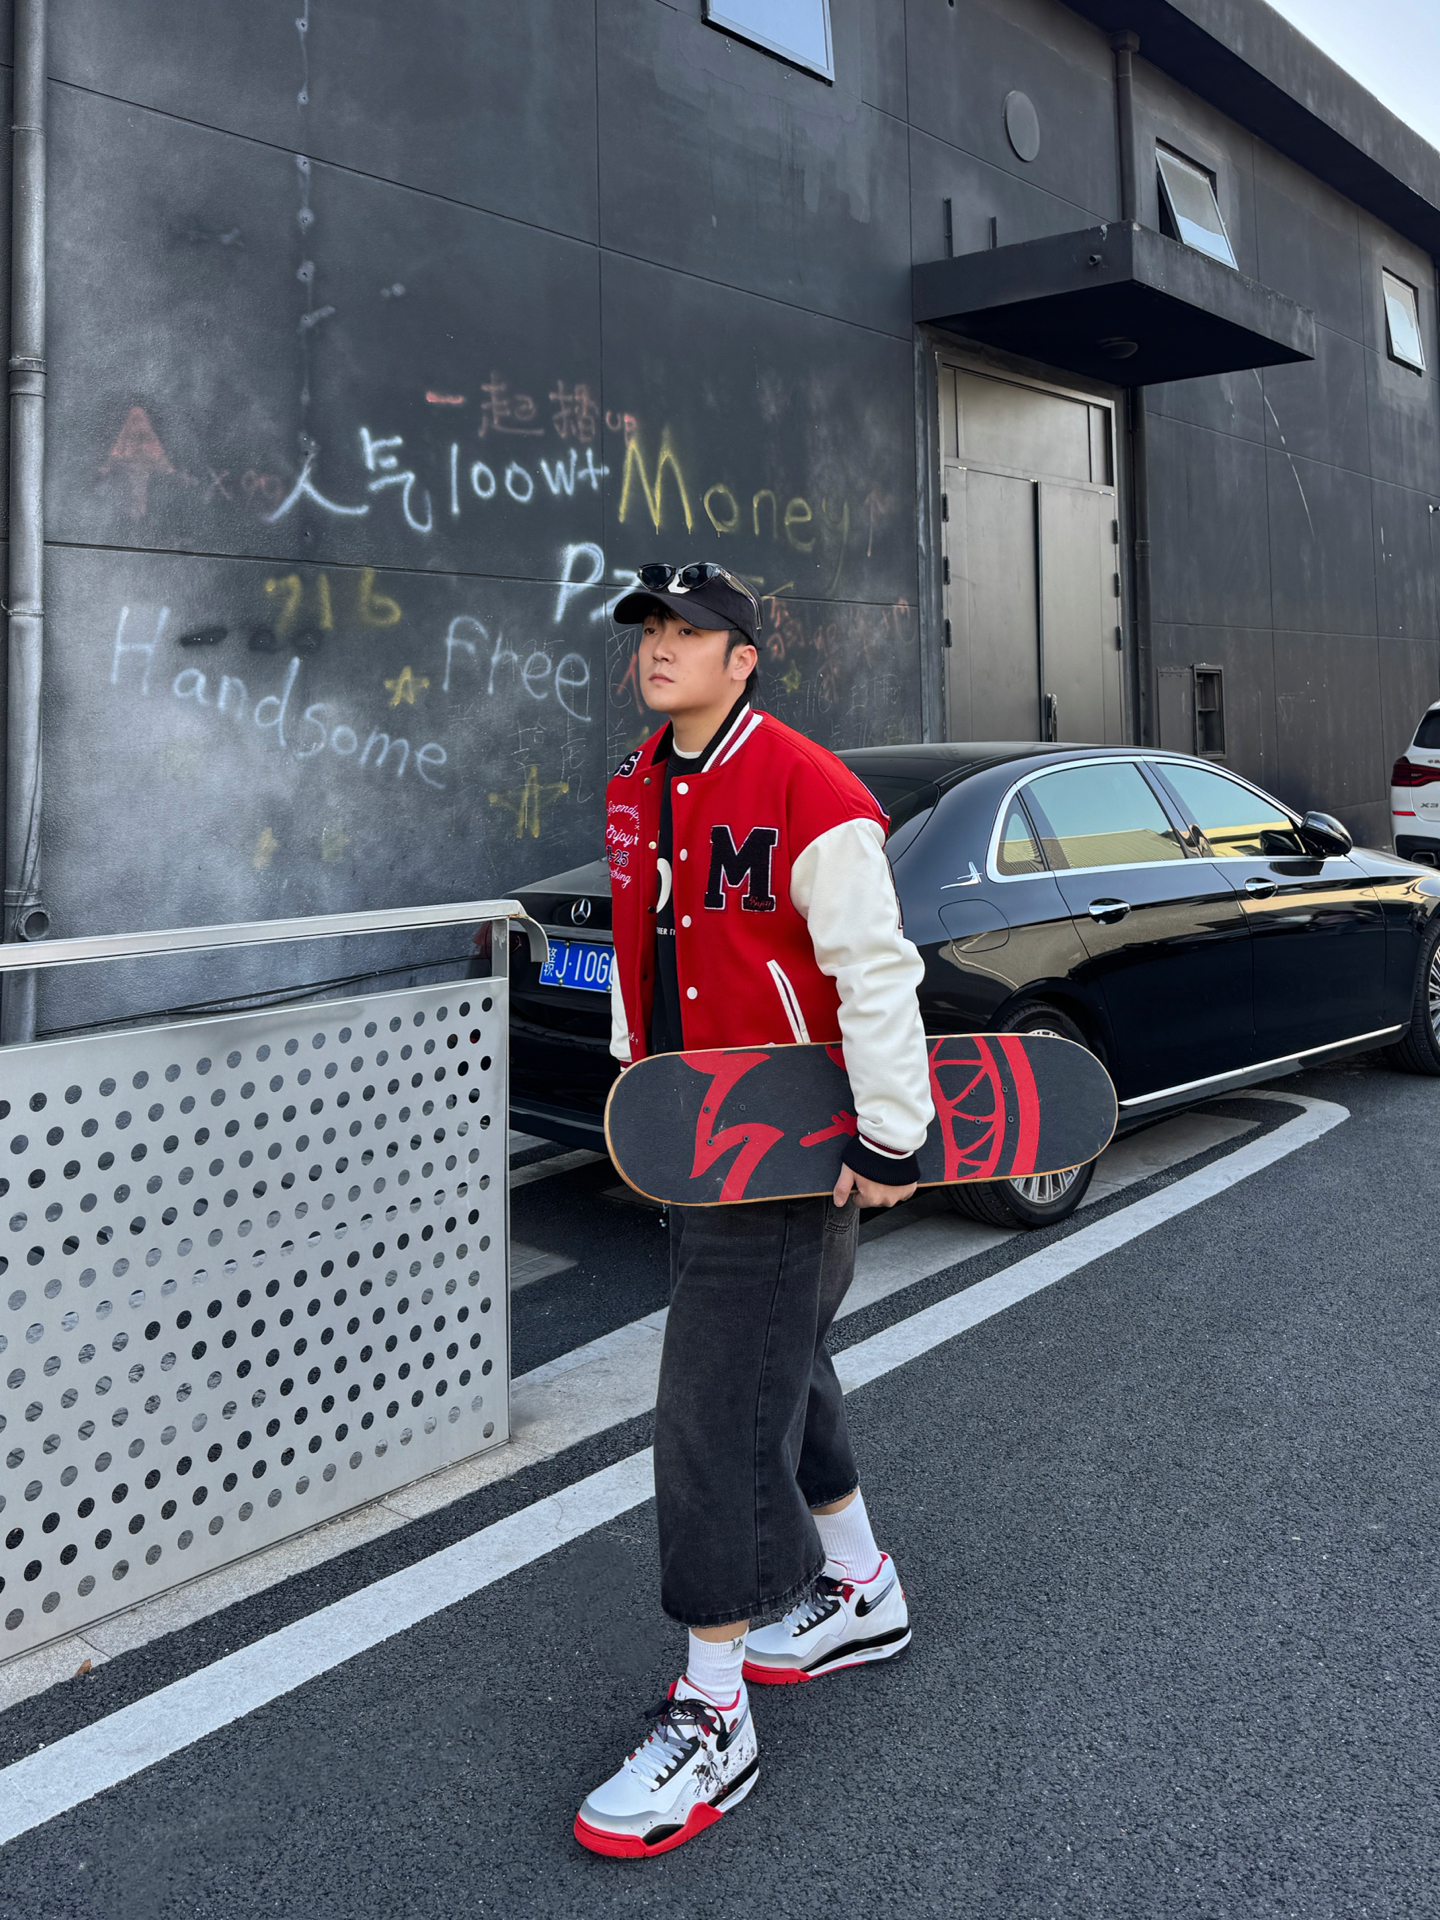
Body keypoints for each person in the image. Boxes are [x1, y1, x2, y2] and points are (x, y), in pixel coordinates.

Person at [573, 562, 934, 1860]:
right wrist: (642, 1095)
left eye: (689, 631)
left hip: (792, 1145)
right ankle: (861, 1588)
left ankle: (713, 1714)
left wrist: (891, 1132)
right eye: (648, 630)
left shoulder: (808, 790)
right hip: (699, 1143)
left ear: (744, 660)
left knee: (715, 1411)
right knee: (787, 1367)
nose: (659, 648)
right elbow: (646, 951)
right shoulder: (640, 783)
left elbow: (874, 971)